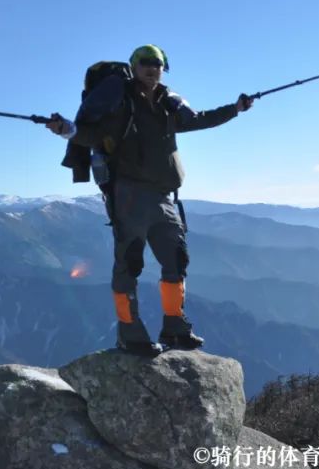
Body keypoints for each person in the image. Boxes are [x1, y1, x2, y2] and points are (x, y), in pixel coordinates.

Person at [46, 44, 253, 356]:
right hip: (129, 195)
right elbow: (93, 134)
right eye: (145, 62)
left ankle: (175, 327)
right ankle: (130, 332)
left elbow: (201, 120)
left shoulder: (167, 106)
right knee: (129, 263)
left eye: (157, 63)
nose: (152, 68)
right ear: (134, 66)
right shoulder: (123, 103)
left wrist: (235, 109)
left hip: (163, 197)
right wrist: (67, 130)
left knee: (176, 258)